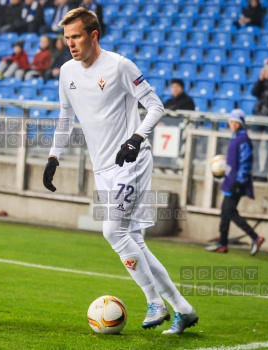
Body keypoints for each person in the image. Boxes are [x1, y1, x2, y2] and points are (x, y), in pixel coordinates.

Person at [42, 8, 198, 335]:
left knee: (113, 232)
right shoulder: (67, 71)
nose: (70, 44)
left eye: (77, 37)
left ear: (93, 35)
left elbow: (156, 105)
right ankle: (183, 309)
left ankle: (154, 301)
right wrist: (53, 156)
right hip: (103, 169)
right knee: (133, 239)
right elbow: (65, 117)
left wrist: (136, 138)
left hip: (132, 161)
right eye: (66, 37)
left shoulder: (119, 66)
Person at [205, 109, 265, 255]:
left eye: (235, 122)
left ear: (240, 124)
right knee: (225, 212)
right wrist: (223, 172)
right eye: (231, 121)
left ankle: (255, 237)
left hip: (236, 183)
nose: (232, 124)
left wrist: (239, 181)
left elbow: (245, 163)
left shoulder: (243, 140)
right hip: (230, 180)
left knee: (230, 212)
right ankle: (223, 243)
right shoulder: (236, 138)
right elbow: (233, 162)